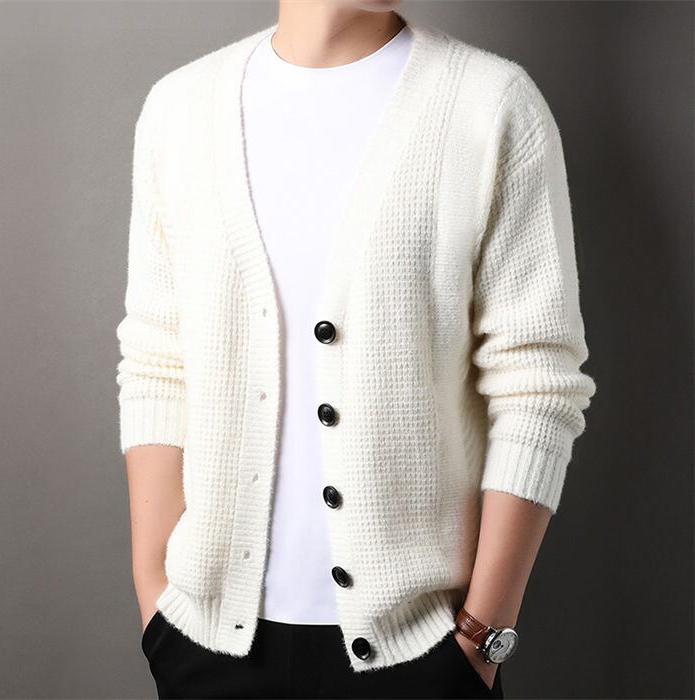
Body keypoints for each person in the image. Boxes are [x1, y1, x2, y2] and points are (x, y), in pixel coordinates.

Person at [116, 1, 597, 697]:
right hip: (205, 645)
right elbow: (159, 362)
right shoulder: (179, 110)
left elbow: (537, 382)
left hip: (424, 654)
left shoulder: (489, 105)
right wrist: (155, 594)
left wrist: (480, 639)